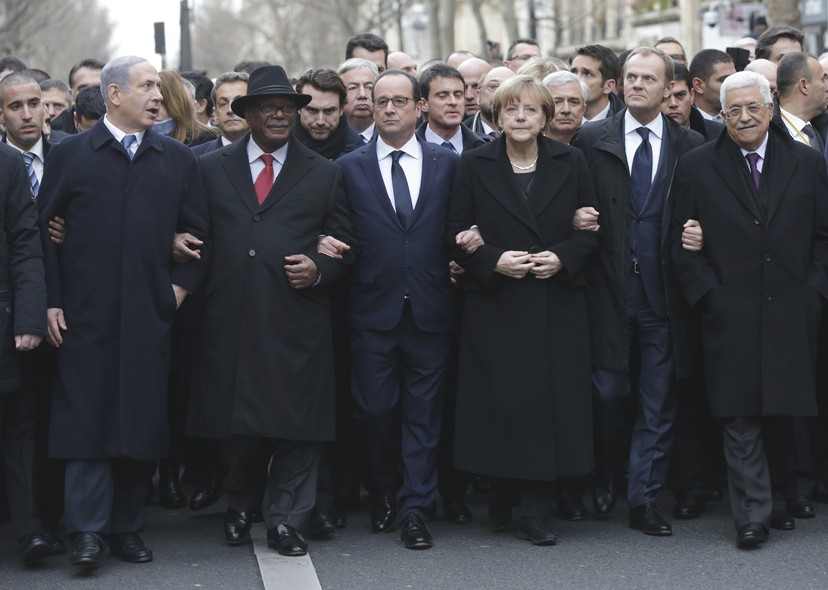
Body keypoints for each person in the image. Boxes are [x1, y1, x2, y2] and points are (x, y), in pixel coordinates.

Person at [37, 55, 209, 568]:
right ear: (113, 95)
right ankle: (86, 532)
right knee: (85, 422)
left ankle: (127, 528)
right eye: (146, 87)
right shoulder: (71, 154)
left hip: (146, 317)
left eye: (158, 86)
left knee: (140, 421)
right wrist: (50, 302)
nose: (158, 96)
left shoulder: (177, 160)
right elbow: (43, 233)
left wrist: (174, 293)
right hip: (83, 316)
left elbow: (200, 237)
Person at [187, 65, 354, 557]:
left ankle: (286, 519)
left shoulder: (325, 173)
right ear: (248, 114)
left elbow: (347, 245)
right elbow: (190, 229)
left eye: (288, 107)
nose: (280, 114)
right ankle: (239, 504)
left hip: (296, 319)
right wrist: (178, 241)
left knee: (298, 426)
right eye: (268, 107)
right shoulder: (210, 169)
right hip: (231, 318)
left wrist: (320, 268)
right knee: (240, 424)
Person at [670, 70, 828, 548]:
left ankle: (779, 499)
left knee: (781, 410)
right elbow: (679, 246)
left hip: (789, 310)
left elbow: (823, 236)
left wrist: (813, 292)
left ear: (770, 109)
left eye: (752, 108)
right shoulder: (697, 164)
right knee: (739, 416)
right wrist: (710, 298)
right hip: (729, 312)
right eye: (732, 110)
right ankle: (751, 515)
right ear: (721, 115)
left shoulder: (804, 161)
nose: (743, 118)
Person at [447, 74, 600, 545]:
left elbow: (592, 227)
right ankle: (502, 493)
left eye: (530, 110)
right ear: (496, 116)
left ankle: (536, 509)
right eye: (511, 109)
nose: (519, 118)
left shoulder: (571, 160)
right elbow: (453, 230)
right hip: (497, 305)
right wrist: (493, 260)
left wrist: (563, 256)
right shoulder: (473, 164)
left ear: (544, 118)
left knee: (545, 407)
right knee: (502, 404)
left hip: (554, 304)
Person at [571, 47, 705, 536]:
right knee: (608, 392)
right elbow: (570, 202)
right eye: (630, 77)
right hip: (607, 290)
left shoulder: (690, 144)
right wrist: (576, 218)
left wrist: (699, 233)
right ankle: (606, 472)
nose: (638, 85)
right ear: (620, 83)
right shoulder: (590, 140)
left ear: (669, 87)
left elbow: (704, 209)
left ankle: (644, 497)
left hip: (663, 295)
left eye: (649, 78)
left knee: (658, 399)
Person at [336, 68, 459, 550]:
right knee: (375, 410)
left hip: (431, 309)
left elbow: (456, 223)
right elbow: (341, 229)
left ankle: (415, 507)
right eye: (380, 101)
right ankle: (384, 490)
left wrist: (463, 251)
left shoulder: (446, 164)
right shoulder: (348, 167)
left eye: (399, 101)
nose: (388, 109)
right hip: (372, 310)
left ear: (418, 108)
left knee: (424, 415)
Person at [0, 139, 49, 565]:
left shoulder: (8, 164)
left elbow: (25, 243)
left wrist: (30, 319)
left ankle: (29, 530)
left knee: (18, 427)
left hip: (5, 316)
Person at [294, 67, 363, 159]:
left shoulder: (357, 154)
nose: (320, 121)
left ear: (341, 109)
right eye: (312, 110)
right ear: (299, 108)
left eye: (329, 111)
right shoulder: (279, 144)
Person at [191, 71, 249, 156]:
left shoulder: (269, 155)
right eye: (223, 104)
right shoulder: (195, 157)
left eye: (238, 102)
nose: (230, 110)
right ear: (215, 114)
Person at [155, 70, 217, 147]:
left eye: (162, 103)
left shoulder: (205, 139)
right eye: (153, 102)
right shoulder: (141, 135)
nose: (155, 109)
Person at [570, 45, 622, 122]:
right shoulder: (553, 120)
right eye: (574, 73)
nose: (576, 79)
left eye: (587, 74)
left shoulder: (624, 124)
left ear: (608, 86)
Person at [464, 66, 515, 137]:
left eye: (508, 88)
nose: (499, 93)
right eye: (493, 87)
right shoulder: (462, 134)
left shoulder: (528, 133)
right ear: (478, 96)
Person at [337, 58, 379, 142]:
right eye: (352, 88)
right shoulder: (329, 139)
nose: (362, 95)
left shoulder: (391, 136)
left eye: (369, 87)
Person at [689, 50, 736, 123]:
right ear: (698, 85)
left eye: (734, 79)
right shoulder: (685, 123)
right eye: (724, 80)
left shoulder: (739, 120)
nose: (733, 85)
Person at [543, 70, 588, 144]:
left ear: (584, 109)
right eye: (557, 102)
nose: (566, 110)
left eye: (574, 102)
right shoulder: (530, 147)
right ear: (543, 108)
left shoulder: (594, 148)